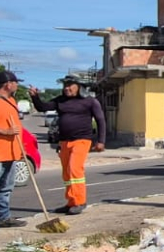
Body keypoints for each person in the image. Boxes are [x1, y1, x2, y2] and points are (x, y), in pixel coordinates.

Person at [29, 75, 106, 215]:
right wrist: (35, 96)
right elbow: (42, 107)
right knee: (66, 173)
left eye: (70, 85)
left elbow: (100, 120)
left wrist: (101, 141)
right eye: (65, 85)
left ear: (79, 86)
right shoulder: (61, 101)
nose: (67, 88)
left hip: (82, 140)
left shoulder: (90, 101)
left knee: (75, 169)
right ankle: (71, 202)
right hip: (64, 142)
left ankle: (79, 201)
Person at [0, 71, 26, 228]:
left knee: (6, 188)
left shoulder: (12, 101)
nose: (17, 85)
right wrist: (5, 131)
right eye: (16, 82)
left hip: (11, 152)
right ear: (7, 84)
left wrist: (20, 149)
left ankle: (4, 217)